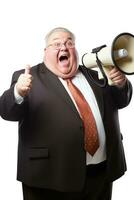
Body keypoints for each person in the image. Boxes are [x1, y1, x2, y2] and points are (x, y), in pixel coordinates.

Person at [0, 27, 132, 200]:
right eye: (56, 44)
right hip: (49, 177)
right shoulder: (28, 77)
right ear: (45, 51)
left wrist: (121, 84)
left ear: (75, 50)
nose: (64, 47)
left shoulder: (96, 74)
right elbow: (6, 112)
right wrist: (18, 92)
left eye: (69, 43)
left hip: (101, 173)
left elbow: (121, 101)